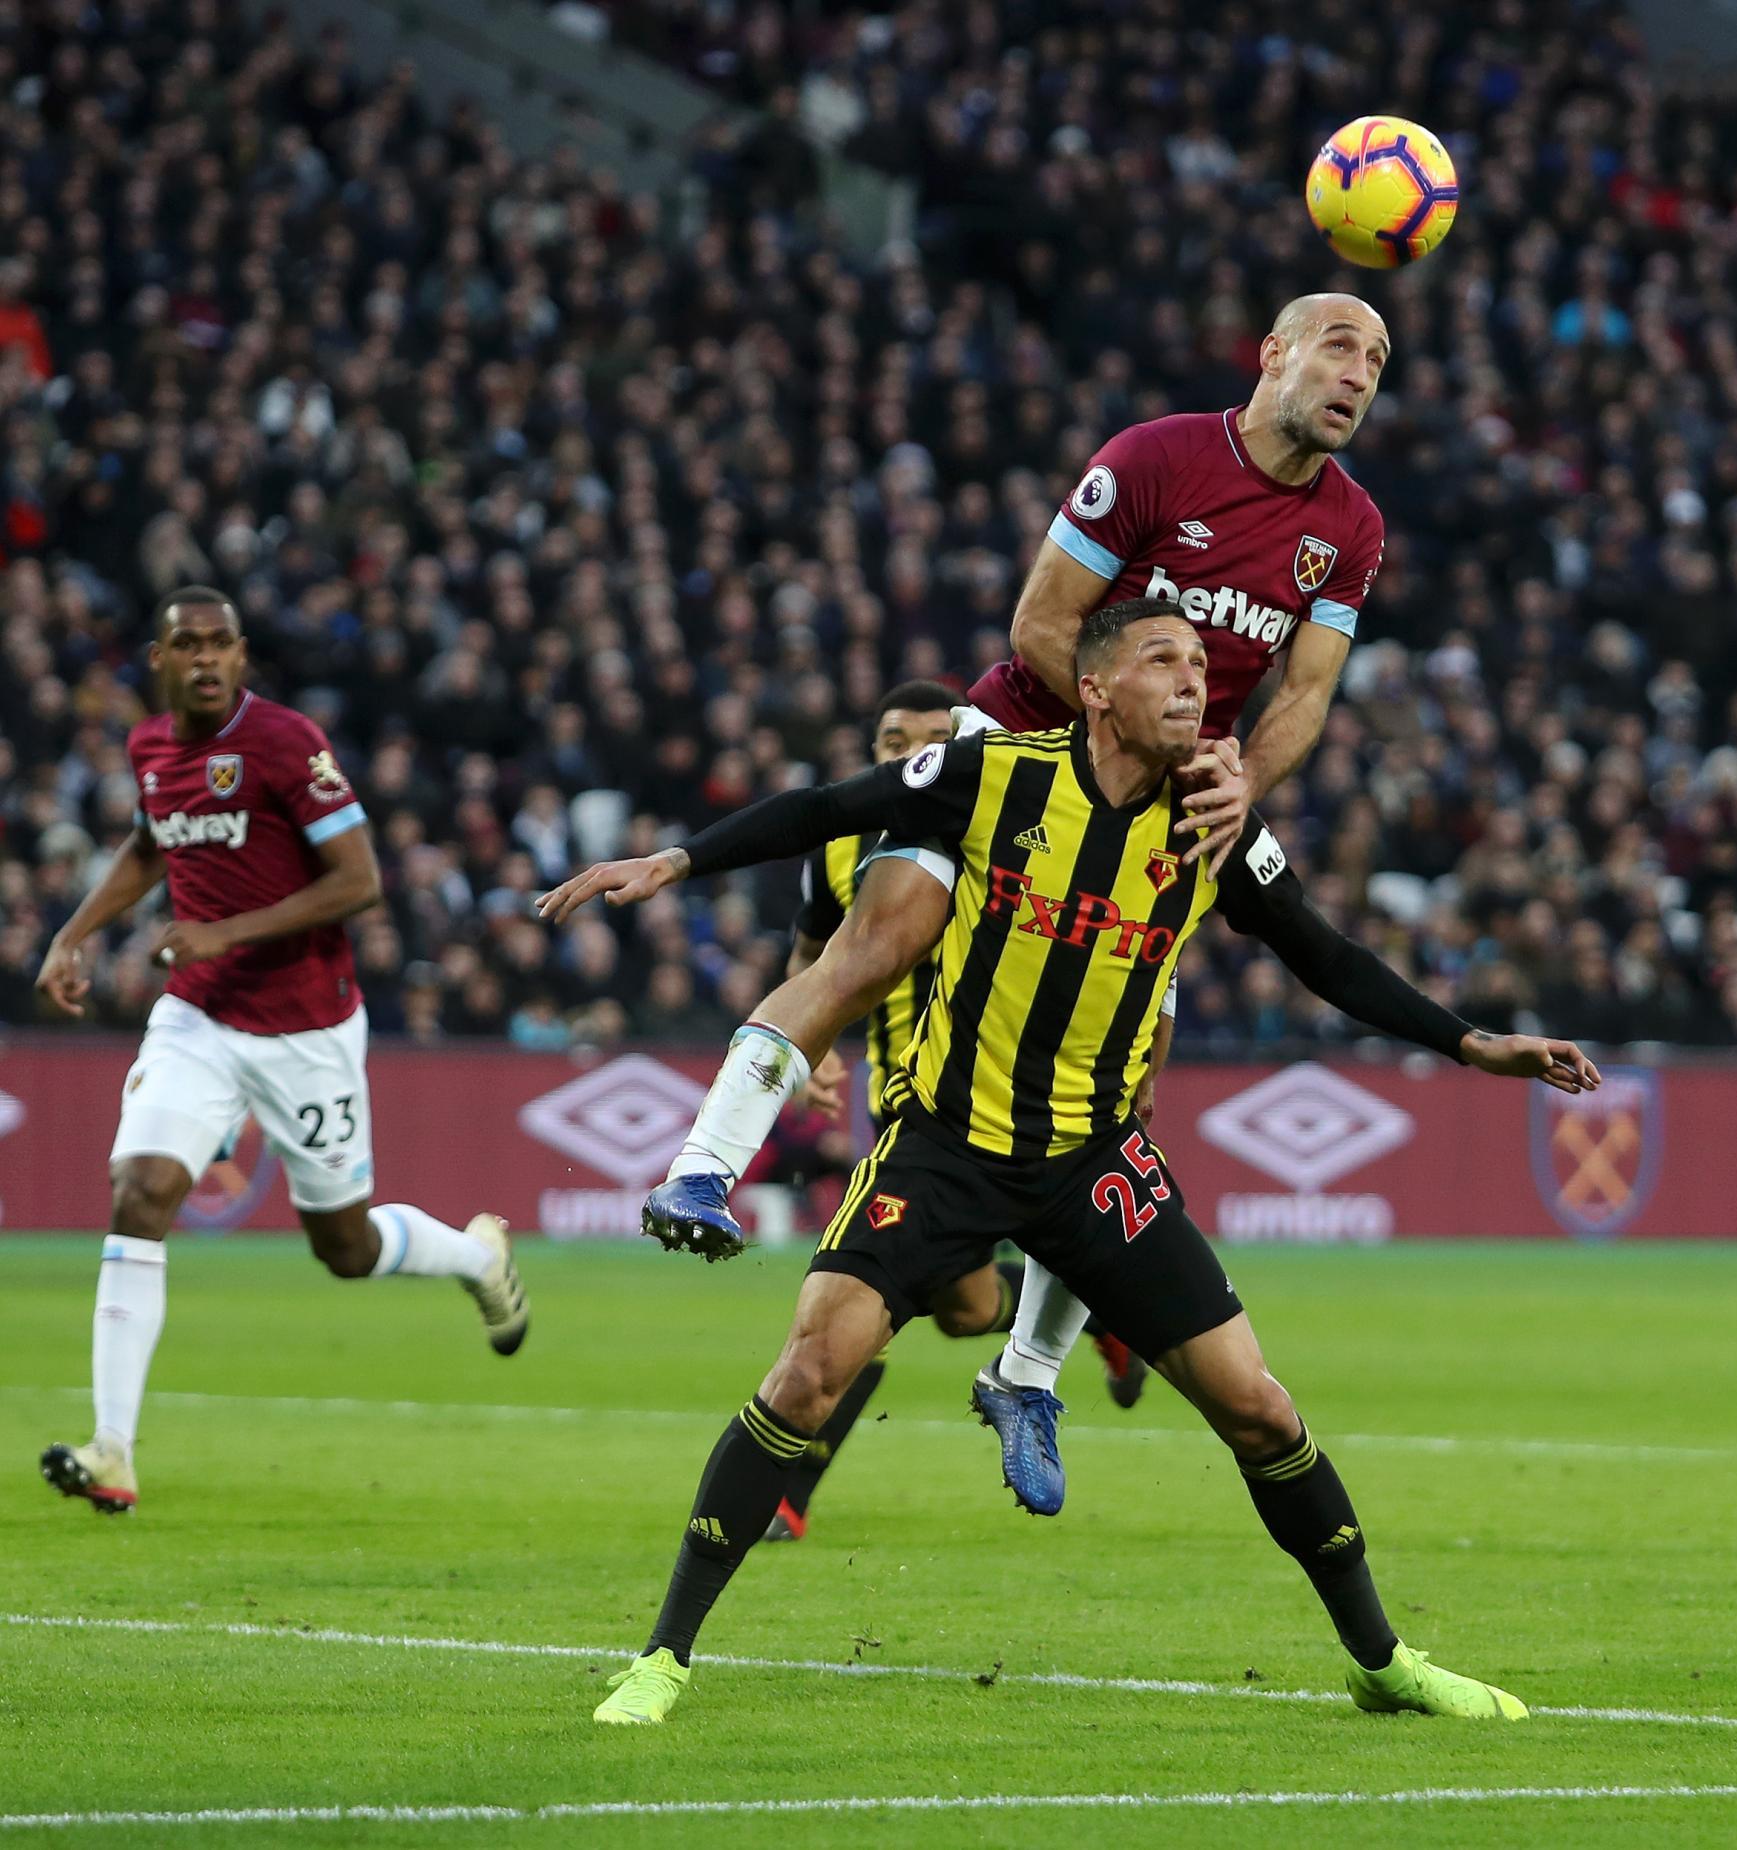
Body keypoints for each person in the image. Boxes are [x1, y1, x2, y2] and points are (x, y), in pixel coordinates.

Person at [539, 598, 1597, 1725]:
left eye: (1201, 663)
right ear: (1096, 690)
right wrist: (678, 858)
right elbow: (825, 807)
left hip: (1095, 1158)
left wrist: (1472, 1041)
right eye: (1163, 662)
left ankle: (1383, 1660)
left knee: (1262, 1409)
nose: (1196, 683)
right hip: (948, 1144)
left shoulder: (1214, 817)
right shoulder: (993, 775)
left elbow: (1323, 953)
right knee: (808, 1372)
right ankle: (663, 1657)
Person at [658, 291, 1394, 1517]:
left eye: (1376, 357)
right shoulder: (1155, 459)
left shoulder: (1352, 529)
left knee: (1120, 1091)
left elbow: (1308, 690)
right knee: (878, 939)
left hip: (1151, 811)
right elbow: (1042, 622)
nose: (1358, 371)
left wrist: (1234, 782)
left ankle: (1029, 1375)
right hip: (1017, 747)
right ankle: (702, 1167)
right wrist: (1128, 734)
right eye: (1338, 344)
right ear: (1272, 355)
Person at [34, 587, 526, 1514]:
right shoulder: (150, 749)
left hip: (307, 1028)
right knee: (139, 1193)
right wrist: (75, 932)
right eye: (189, 646)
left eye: (222, 644)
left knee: (342, 1246)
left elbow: (360, 880)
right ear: (159, 660)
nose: (208, 660)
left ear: (244, 655)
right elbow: (151, 845)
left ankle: (475, 1257)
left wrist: (229, 932)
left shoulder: (285, 742)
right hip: (199, 1020)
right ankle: (112, 1450)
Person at [759, 680, 1024, 1543]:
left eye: (931, 737)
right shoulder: (840, 848)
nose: (907, 751)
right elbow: (811, 950)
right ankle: (1062, 1303)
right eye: (889, 739)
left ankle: (785, 1495)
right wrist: (819, 1046)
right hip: (901, 1111)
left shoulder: (1005, 829)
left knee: (861, 1314)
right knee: (957, 1311)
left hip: (996, 1103)